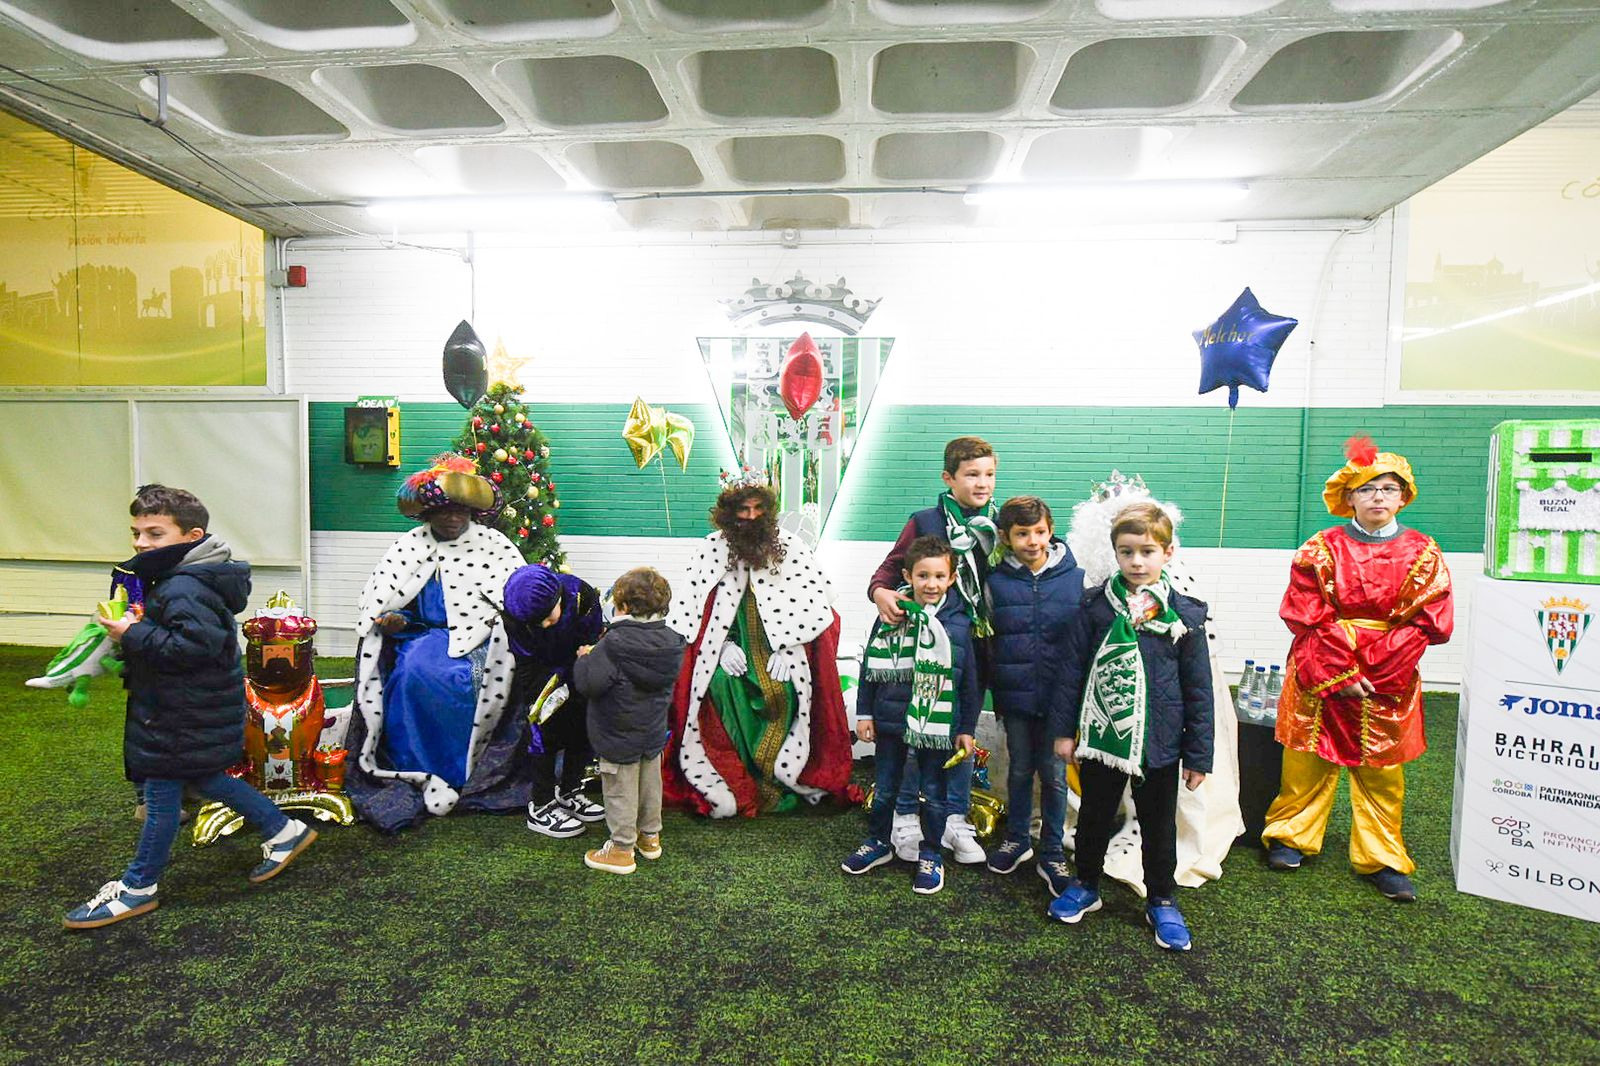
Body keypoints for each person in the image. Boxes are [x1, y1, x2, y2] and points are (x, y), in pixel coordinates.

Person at [65, 486, 316, 929]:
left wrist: (130, 634)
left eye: (155, 534)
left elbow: (195, 648)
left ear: (191, 535)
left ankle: (138, 887)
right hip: (185, 707)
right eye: (137, 533)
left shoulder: (183, 585)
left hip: (182, 711)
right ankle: (285, 831)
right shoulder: (181, 577)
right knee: (204, 777)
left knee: (163, 796)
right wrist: (141, 629)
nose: (141, 544)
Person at [1261, 437, 1453, 903]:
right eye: (1367, 489)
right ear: (1348, 497)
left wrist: (1377, 671)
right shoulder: (1319, 549)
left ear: (1403, 496)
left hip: (1389, 678)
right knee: (1306, 759)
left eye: (1389, 488)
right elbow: (1305, 613)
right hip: (1319, 666)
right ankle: (1290, 836)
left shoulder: (1423, 552)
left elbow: (1428, 621)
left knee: (1383, 771)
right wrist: (1339, 673)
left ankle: (1383, 857)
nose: (1378, 497)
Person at [1049, 502, 1214, 952]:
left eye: (1147, 551)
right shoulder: (1096, 607)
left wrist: (1198, 754)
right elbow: (1072, 672)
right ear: (1115, 554)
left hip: (1160, 741)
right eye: (1127, 552)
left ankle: (1161, 898)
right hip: (1104, 735)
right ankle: (1085, 883)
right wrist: (1065, 732)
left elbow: (1199, 689)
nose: (1137, 562)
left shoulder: (1185, 615)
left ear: (1168, 552)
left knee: (1159, 823)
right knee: (1095, 814)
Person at [347, 455, 525, 832]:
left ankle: (468, 773)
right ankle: (417, 767)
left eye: (460, 510)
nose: (452, 518)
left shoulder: (495, 545)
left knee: (474, 680)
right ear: (428, 512)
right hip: (427, 635)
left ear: (472, 511)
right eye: (443, 510)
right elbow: (391, 600)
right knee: (413, 674)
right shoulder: (408, 547)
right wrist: (396, 620)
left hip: (485, 638)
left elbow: (518, 599)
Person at [663, 471, 853, 817]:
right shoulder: (710, 549)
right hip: (726, 651)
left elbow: (819, 607)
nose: (751, 517)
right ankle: (735, 777)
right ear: (727, 512)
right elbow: (693, 613)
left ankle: (777, 778)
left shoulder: (790, 548)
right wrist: (721, 648)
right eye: (743, 509)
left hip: (780, 651)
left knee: (784, 691)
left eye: (758, 508)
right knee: (720, 687)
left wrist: (789, 646)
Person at [868, 436, 998, 865]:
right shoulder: (926, 520)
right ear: (949, 478)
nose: (982, 483)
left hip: (975, 640)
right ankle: (905, 814)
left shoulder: (1001, 523)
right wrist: (880, 593)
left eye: (989, 474)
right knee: (914, 722)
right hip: (927, 639)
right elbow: (889, 569)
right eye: (972, 475)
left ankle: (956, 817)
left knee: (961, 729)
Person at [842, 536, 982, 895]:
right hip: (892, 720)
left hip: (940, 725)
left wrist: (966, 727)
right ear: (908, 575)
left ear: (952, 578)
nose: (931, 584)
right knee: (886, 788)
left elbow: (970, 680)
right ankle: (878, 843)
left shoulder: (961, 622)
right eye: (923, 576)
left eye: (939, 576)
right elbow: (870, 667)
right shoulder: (891, 614)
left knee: (935, 794)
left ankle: (931, 853)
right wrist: (865, 713)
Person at [982, 496, 1085, 897]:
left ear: (1050, 530)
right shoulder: (996, 583)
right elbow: (989, 638)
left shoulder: (1076, 578)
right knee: (1020, 769)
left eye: (1039, 532)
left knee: (1055, 776)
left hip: (1062, 699)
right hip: (1016, 697)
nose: (1032, 541)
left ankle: (1053, 850)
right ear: (1006, 538)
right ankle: (1018, 838)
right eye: (1022, 534)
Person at [573, 567, 687, 874]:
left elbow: (590, 685)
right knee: (650, 783)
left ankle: (622, 849)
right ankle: (650, 838)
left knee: (619, 788)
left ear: (622, 606)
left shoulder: (613, 643)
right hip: (651, 730)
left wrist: (585, 658)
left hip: (616, 731)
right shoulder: (672, 642)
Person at [503, 563, 606, 839]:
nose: (544, 625)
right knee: (543, 733)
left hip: (578, 662)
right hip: (540, 670)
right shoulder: (516, 614)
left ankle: (570, 790)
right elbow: (527, 655)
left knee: (582, 725)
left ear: (558, 597)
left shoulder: (582, 596)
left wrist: (581, 673)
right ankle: (541, 805)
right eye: (537, 623)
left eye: (548, 617)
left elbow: (590, 640)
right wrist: (546, 691)